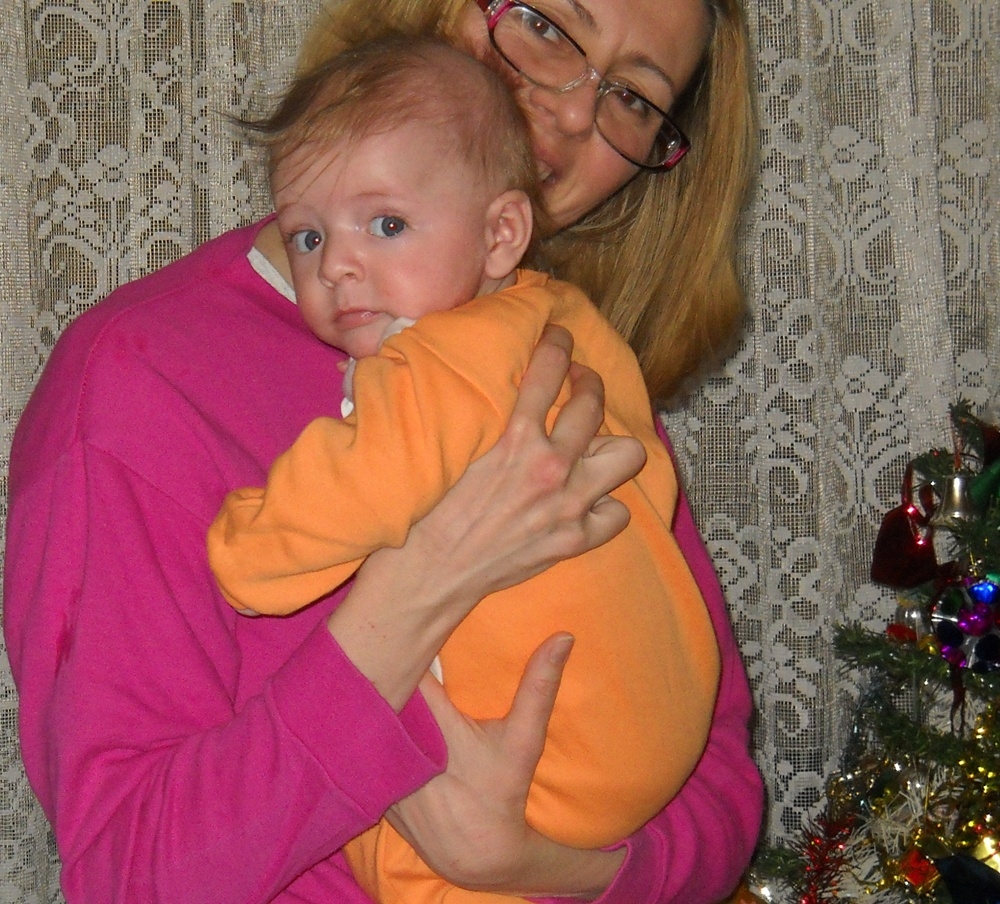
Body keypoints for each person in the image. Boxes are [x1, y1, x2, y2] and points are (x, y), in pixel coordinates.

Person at [2, 1, 764, 902]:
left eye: (633, 97)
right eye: (548, 25)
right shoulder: (137, 380)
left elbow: (720, 780)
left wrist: (540, 867)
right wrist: (414, 596)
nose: (570, 112)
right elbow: (127, 877)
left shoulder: (551, 343)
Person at [205, 33, 721, 904]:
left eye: (387, 225)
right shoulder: (567, 317)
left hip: (554, 765)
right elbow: (647, 479)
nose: (337, 265)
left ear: (499, 234)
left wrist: (240, 537)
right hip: (666, 717)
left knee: (390, 846)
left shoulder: (432, 363)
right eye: (307, 236)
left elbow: (311, 529)